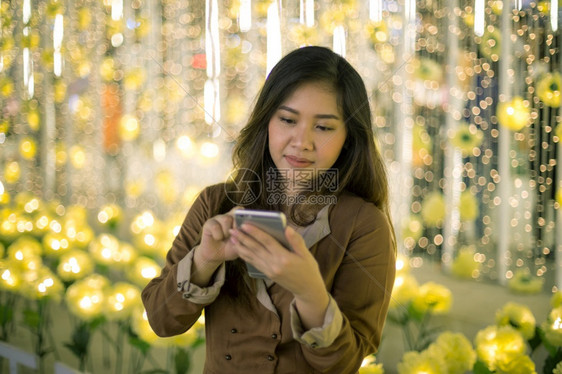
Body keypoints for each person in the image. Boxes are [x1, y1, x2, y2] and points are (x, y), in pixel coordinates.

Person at [141, 46, 396, 374]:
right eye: (288, 119)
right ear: (266, 122)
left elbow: (344, 364)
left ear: (349, 137)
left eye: (324, 127)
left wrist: (309, 291)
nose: (301, 141)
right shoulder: (215, 204)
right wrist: (205, 260)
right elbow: (161, 321)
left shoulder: (364, 225)